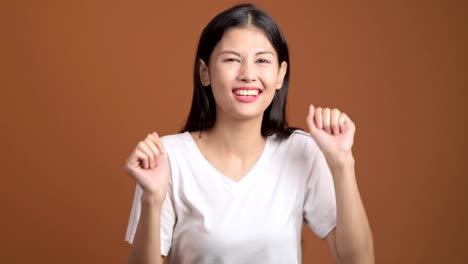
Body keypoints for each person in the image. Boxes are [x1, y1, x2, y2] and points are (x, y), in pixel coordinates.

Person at [124, 3, 374, 264]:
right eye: (232, 59)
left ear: (280, 75)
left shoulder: (301, 151)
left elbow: (359, 260)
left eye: (262, 60)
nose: (248, 75)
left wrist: (342, 162)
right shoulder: (168, 157)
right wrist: (152, 198)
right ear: (204, 72)